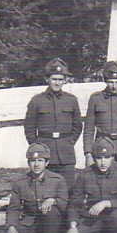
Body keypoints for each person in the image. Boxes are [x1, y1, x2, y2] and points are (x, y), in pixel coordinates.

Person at [3, 143, 68, 233]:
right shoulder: (20, 183)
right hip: (30, 221)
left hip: (51, 222)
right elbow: (14, 208)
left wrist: (53, 200)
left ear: (47, 163)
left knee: (51, 213)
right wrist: (11, 226)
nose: (36, 164)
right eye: (33, 161)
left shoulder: (57, 180)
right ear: (29, 163)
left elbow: (65, 202)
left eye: (40, 160)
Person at [24, 58, 82, 190]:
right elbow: (29, 127)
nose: (57, 83)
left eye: (60, 79)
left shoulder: (71, 100)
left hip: (66, 151)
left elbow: (77, 126)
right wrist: (38, 147)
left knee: (68, 189)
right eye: (54, 79)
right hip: (45, 150)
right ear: (47, 79)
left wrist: (69, 142)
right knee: (45, 189)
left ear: (65, 80)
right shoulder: (37, 101)